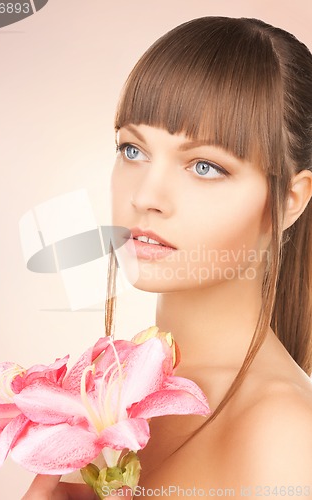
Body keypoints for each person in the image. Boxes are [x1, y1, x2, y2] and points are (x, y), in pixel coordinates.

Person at [22, 16, 312, 499]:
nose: (147, 196)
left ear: (290, 200)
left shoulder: (283, 433)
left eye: (205, 166)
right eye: (132, 149)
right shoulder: (108, 396)